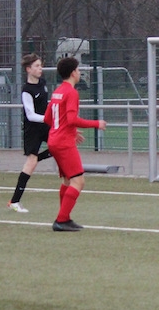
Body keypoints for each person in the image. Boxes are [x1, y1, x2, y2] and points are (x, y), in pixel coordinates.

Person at [44, 57, 107, 231]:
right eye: (78, 70)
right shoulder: (71, 92)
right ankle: (61, 220)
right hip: (63, 142)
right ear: (73, 73)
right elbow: (71, 119)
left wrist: (70, 130)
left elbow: (48, 118)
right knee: (78, 181)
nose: (79, 73)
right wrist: (97, 123)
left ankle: (64, 218)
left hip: (54, 140)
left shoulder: (57, 91)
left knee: (67, 180)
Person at [8, 53, 52, 213]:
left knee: (60, 146)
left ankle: (36, 159)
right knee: (30, 164)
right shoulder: (26, 90)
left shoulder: (43, 83)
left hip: (45, 126)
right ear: (28, 69)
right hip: (32, 130)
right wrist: (48, 118)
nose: (40, 69)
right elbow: (30, 115)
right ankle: (15, 201)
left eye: (41, 66)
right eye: (37, 66)